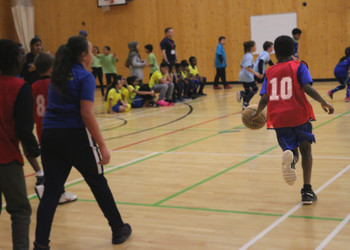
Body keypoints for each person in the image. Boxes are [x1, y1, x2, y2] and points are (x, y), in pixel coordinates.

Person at [33, 36, 131, 249]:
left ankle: (40, 245)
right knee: (97, 182)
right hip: (74, 135)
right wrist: (102, 145)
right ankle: (118, 229)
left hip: (50, 134)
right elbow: (86, 113)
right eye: (91, 51)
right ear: (84, 56)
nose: (93, 55)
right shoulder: (85, 77)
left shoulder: (57, 74)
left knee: (51, 191)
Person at [250, 35, 334, 205]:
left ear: (276, 54)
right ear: (292, 51)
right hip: (299, 115)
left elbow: (265, 98)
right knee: (306, 151)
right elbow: (307, 88)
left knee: (291, 151)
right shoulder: (299, 67)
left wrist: (258, 113)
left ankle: (292, 162)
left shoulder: (270, 72)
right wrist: (323, 102)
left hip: (279, 119)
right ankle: (307, 191)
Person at [0, 39, 40, 250]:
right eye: (21, 53)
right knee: (20, 210)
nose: (24, 57)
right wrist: (35, 152)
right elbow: (25, 128)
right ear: (14, 59)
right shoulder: (19, 87)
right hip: (6, 159)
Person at [31, 52, 78, 204]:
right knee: (62, 163)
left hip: (41, 131)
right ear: (52, 69)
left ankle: (53, 191)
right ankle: (58, 192)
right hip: (57, 129)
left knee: (49, 163)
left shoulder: (33, 86)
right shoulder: (55, 85)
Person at [236, 41, 264, 108]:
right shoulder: (249, 56)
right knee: (255, 89)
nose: (256, 47)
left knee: (248, 90)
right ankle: (242, 94)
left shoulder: (246, 55)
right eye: (255, 46)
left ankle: (245, 104)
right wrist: (256, 74)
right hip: (246, 76)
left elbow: (241, 65)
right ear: (251, 48)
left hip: (242, 75)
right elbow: (247, 67)